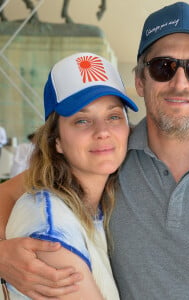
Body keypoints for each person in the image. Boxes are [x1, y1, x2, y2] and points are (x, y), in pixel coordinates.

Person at [1, 2, 189, 299]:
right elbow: (17, 193)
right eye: (163, 67)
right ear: (140, 81)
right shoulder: (111, 154)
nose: (179, 82)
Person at [0, 52, 138, 299]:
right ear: (56, 141)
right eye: (82, 121)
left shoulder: (102, 199)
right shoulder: (50, 229)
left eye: (114, 116)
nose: (103, 131)